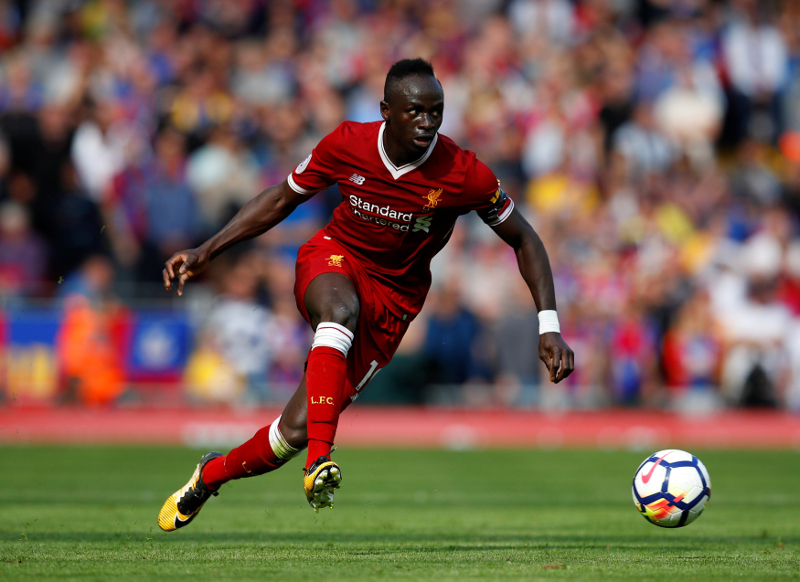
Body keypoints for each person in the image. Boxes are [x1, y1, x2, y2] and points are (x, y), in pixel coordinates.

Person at [157, 58, 574, 531]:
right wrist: (208, 249)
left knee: (290, 432)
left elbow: (525, 238)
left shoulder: (463, 173)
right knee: (339, 310)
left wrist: (550, 325)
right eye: (415, 111)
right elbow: (281, 198)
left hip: (393, 299)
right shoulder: (348, 143)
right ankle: (320, 463)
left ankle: (210, 475)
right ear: (386, 111)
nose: (427, 122)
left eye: (435, 111)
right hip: (334, 258)